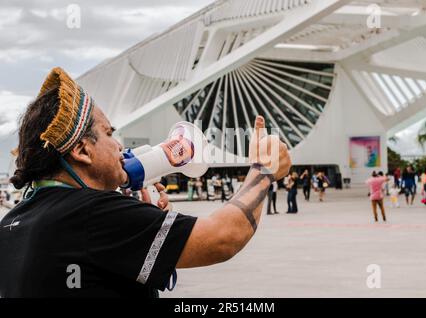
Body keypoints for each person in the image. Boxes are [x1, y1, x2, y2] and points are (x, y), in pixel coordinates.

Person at [0, 67, 291, 297]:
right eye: (109, 133)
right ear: (82, 150)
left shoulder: (12, 222)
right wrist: (263, 170)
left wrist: (142, 222)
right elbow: (224, 237)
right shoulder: (92, 213)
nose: (118, 146)